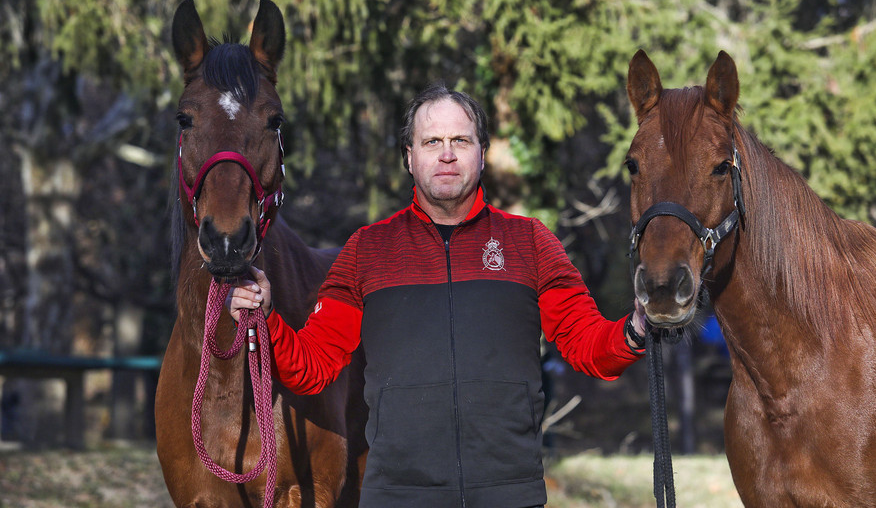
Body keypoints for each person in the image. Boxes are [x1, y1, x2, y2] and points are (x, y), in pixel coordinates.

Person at [228, 82, 647, 508]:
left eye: (460, 141)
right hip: (397, 495)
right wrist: (267, 319)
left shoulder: (530, 243)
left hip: (509, 494)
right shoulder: (366, 251)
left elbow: (587, 345)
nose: (446, 154)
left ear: (481, 153)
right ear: (410, 158)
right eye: (431, 142)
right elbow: (311, 367)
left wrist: (634, 330)